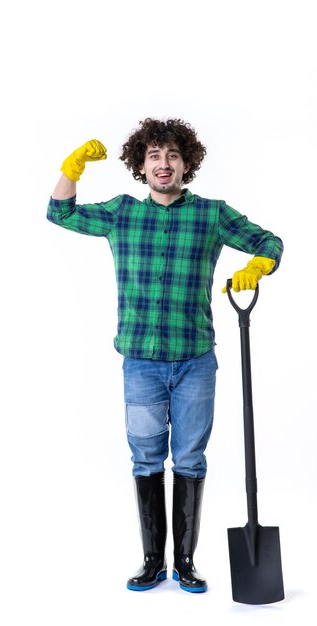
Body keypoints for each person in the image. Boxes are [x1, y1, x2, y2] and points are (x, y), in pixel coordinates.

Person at [47, 118, 283, 594]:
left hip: (196, 359)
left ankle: (187, 562)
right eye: (153, 155)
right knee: (146, 458)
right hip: (140, 363)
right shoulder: (121, 214)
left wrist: (258, 266)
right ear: (140, 164)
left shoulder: (211, 214)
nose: (163, 164)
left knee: (191, 459)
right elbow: (61, 213)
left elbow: (268, 241)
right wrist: (71, 170)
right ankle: (153, 561)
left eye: (172, 155)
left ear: (186, 163)